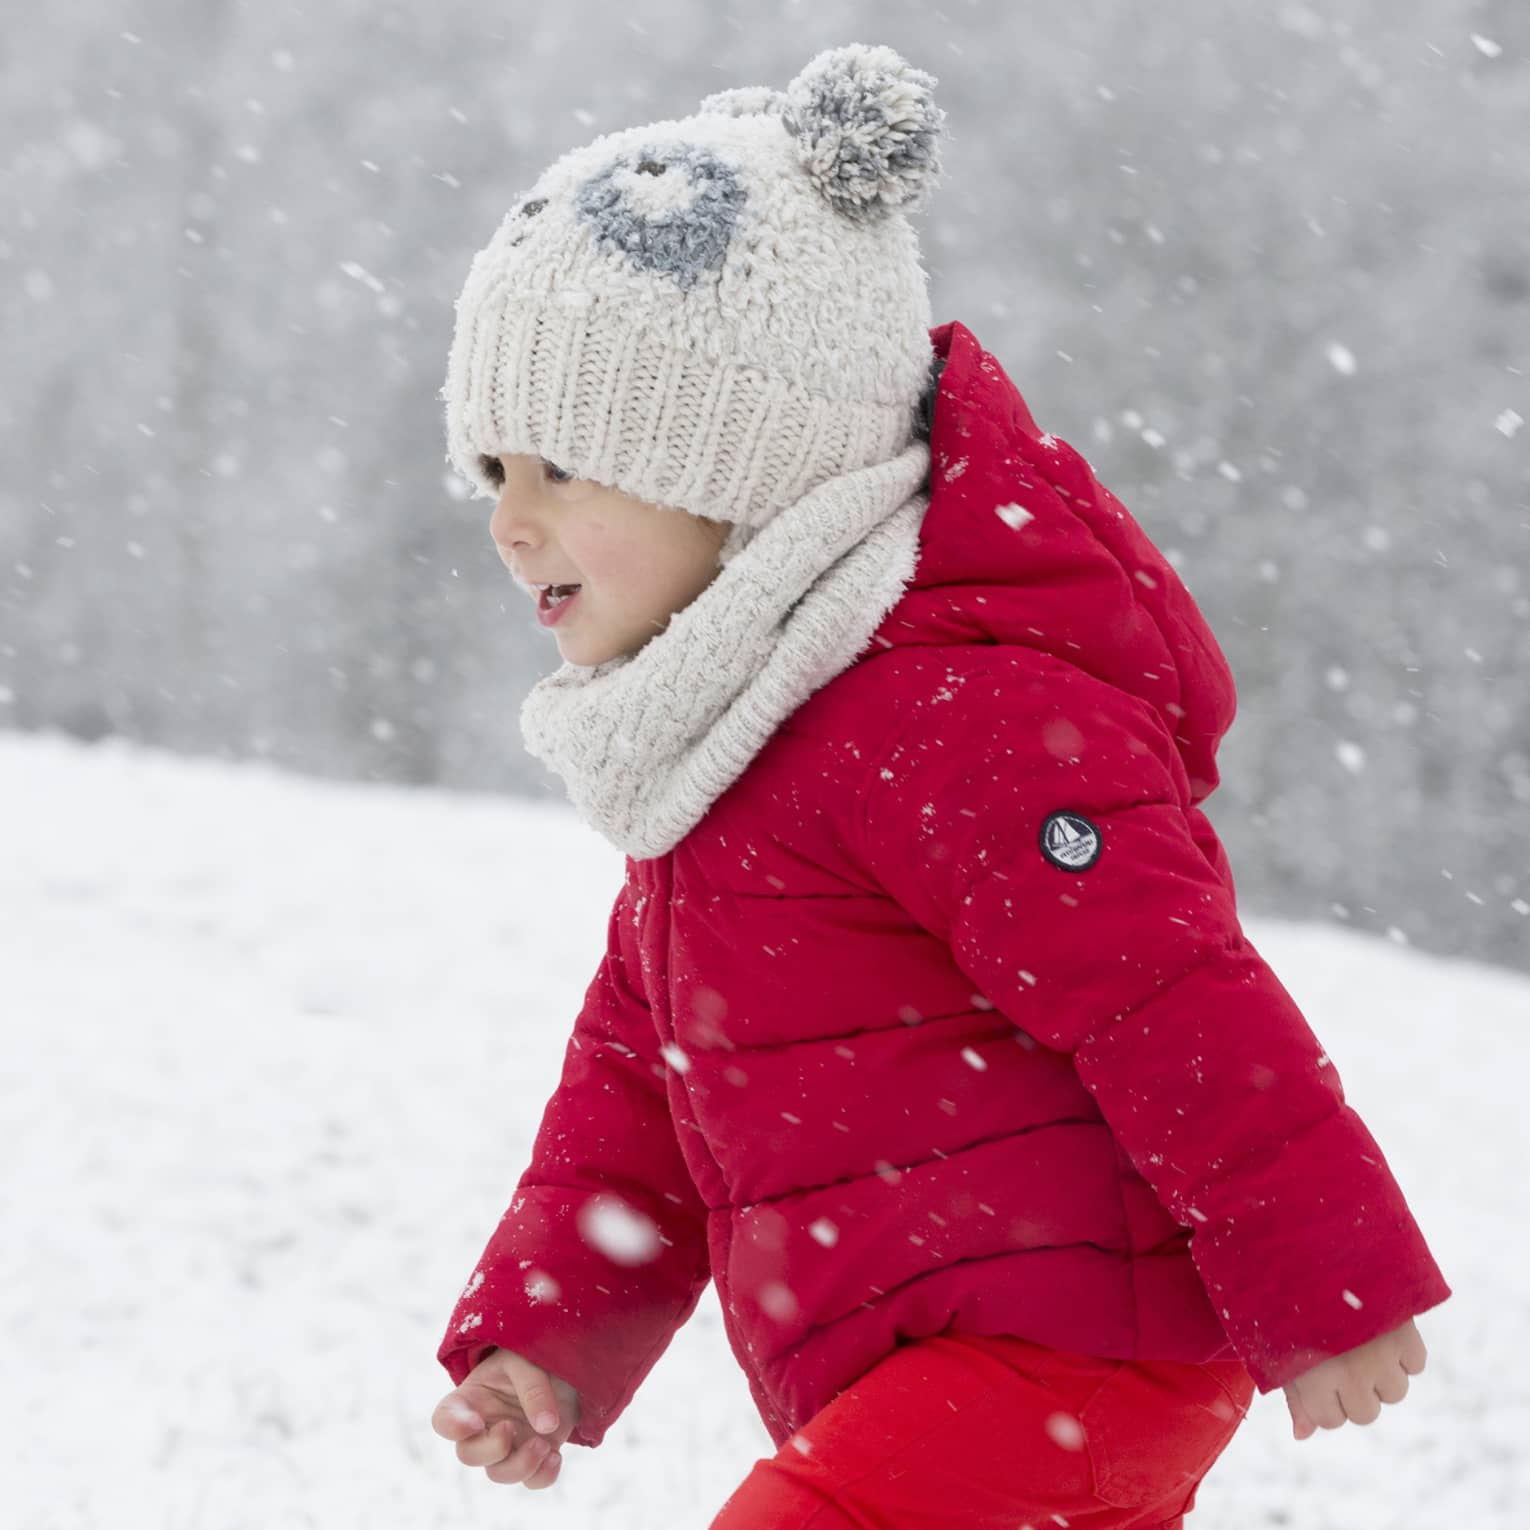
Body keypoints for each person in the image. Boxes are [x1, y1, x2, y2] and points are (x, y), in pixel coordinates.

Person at [426, 42, 1451, 1528]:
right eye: (494, 468)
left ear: (745, 458)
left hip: (1075, 1349)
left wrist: (1326, 1272)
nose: (512, 524)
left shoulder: (948, 711)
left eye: (566, 469)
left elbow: (1167, 989)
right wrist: (545, 1337)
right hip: (928, 1358)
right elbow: (640, 1089)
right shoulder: (718, 743)